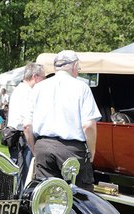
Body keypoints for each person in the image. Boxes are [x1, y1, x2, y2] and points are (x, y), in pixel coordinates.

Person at [24, 50, 101, 191]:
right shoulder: (82, 88)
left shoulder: (38, 88)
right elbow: (88, 125)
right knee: (78, 198)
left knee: (46, 197)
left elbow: (27, 126)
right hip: (72, 150)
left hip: (43, 147)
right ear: (75, 65)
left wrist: (35, 150)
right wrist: (91, 151)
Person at [5, 62, 45, 188]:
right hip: (23, 138)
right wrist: (33, 147)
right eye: (43, 77)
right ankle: (20, 200)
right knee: (24, 174)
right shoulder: (27, 93)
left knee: (19, 171)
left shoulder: (20, 89)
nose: (44, 81)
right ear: (35, 76)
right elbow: (27, 125)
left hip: (18, 137)